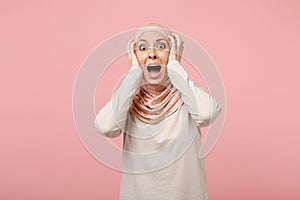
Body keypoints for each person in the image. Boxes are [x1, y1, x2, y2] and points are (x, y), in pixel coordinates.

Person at [94, 23, 221, 200]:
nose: (152, 53)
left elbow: (207, 115)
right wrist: (133, 73)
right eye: (143, 47)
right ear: (134, 56)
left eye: (161, 46)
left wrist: (175, 66)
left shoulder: (189, 95)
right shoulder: (127, 100)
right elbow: (106, 127)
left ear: (173, 53)